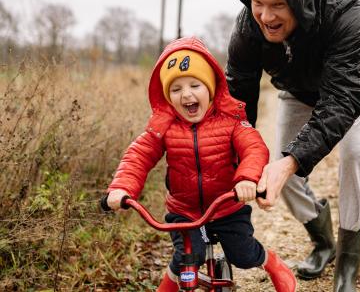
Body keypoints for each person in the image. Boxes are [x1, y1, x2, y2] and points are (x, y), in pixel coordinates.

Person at [104, 37, 296, 292]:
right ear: (167, 96)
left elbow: (254, 148)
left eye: (195, 85)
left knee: (242, 254)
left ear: (211, 88)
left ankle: (271, 263)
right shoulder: (163, 127)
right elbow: (137, 157)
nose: (186, 94)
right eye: (176, 89)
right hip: (184, 210)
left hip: (226, 205)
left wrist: (247, 179)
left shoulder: (231, 121)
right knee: (186, 257)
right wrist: (121, 189)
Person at [226, 0, 360, 291]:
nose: (265, 15)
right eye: (258, 2)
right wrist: (237, 162)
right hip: (297, 90)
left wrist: (292, 162)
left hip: (356, 86)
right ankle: (324, 243)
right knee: (281, 172)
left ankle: (347, 267)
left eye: (277, 5)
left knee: (355, 155)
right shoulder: (248, 25)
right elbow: (238, 100)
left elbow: (342, 98)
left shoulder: (346, 10)